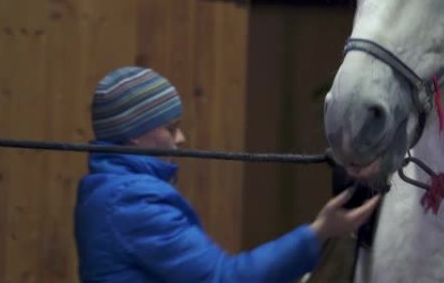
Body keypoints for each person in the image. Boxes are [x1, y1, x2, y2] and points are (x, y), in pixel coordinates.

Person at [74, 66, 380, 283]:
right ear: (134, 137)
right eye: (170, 128)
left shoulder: (106, 190)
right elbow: (223, 278)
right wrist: (319, 232)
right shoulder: (131, 201)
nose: (180, 139)